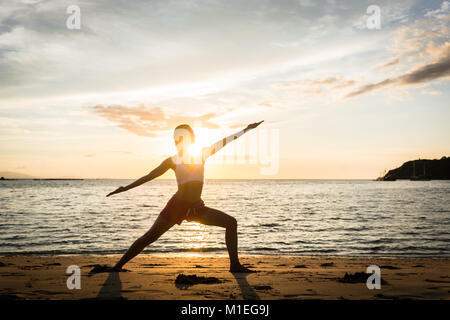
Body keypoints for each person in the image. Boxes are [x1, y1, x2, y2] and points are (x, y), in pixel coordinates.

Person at [106, 120, 264, 272]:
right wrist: (125, 188)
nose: (178, 140)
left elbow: (225, 141)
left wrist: (247, 129)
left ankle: (234, 265)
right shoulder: (172, 161)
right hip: (176, 206)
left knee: (231, 223)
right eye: (176, 137)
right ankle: (118, 266)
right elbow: (149, 176)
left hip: (196, 208)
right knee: (149, 237)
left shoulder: (203, 153)